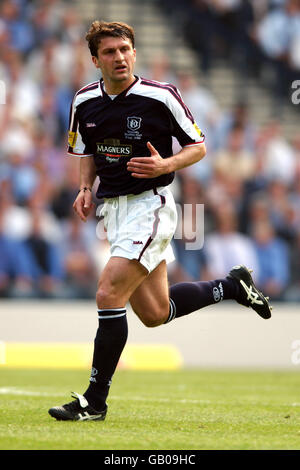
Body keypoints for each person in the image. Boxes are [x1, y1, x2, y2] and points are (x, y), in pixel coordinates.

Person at [48, 20, 272, 422]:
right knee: (154, 312)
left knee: (107, 294)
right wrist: (85, 188)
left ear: (134, 52)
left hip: (150, 206)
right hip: (113, 210)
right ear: (95, 59)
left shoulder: (160, 96)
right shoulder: (83, 100)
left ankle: (94, 402)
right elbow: (84, 149)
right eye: (110, 52)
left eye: (125, 49)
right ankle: (231, 286)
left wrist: (165, 164)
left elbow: (199, 146)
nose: (119, 57)